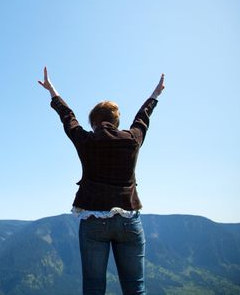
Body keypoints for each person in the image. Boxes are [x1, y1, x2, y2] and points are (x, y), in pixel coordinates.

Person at [38, 67, 165, 295]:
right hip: (128, 218)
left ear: (94, 122)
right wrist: (155, 95)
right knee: (135, 287)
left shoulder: (86, 141)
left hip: (94, 218)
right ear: (116, 121)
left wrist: (52, 91)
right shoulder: (132, 140)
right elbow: (142, 119)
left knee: (94, 287)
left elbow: (68, 118)